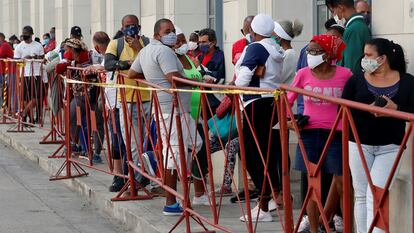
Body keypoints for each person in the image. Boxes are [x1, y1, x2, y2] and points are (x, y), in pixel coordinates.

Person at [128, 18, 202, 215]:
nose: (171, 34)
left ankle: (159, 164)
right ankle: (171, 202)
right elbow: (173, 79)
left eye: (172, 31)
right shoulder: (163, 51)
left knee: (195, 144)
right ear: (156, 35)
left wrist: (154, 82)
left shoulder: (145, 51)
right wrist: (199, 83)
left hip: (171, 109)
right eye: (166, 31)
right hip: (173, 110)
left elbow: (132, 74)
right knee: (176, 154)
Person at [342, 38, 414, 233]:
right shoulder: (357, 79)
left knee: (378, 195)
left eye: (368, 55)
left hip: (391, 147)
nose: (363, 59)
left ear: (382, 59)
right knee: (362, 195)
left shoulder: (408, 82)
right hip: (358, 144)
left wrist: (395, 108)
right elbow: (343, 109)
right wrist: (367, 109)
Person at [288, 34, 349, 233]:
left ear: (328, 54)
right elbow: (287, 100)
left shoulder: (345, 74)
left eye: (315, 51)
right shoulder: (303, 74)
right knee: (313, 185)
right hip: (309, 133)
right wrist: (290, 121)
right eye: (309, 51)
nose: (310, 55)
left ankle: (335, 222)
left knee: (342, 182)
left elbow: (353, 101)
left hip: (337, 134)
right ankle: (315, 229)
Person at [235, 13, 285, 222]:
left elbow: (242, 80)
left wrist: (239, 80)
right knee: (266, 151)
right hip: (271, 102)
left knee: (252, 152)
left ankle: (263, 205)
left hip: (255, 103)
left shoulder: (256, 47)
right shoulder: (277, 48)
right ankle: (271, 196)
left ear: (253, 31)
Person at [104, 14, 151, 191]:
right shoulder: (116, 43)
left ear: (139, 26)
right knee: (132, 143)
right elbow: (108, 64)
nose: (131, 28)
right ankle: (135, 179)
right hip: (127, 100)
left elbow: (151, 62)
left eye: (134, 25)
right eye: (127, 25)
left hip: (148, 99)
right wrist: (128, 63)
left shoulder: (147, 42)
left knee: (150, 142)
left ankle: (145, 178)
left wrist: (139, 48)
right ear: (122, 27)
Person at [326, 0, 371, 74]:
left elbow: (352, 66)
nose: (334, 15)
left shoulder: (354, 28)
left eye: (333, 11)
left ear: (340, 8)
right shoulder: (354, 26)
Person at [13, 26, 45, 124]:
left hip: (36, 73)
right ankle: (30, 119)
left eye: (26, 35)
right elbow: (16, 61)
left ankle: (23, 113)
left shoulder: (38, 45)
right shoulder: (19, 46)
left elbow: (43, 57)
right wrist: (23, 60)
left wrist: (33, 57)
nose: (24, 37)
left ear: (31, 35)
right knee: (26, 98)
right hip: (25, 74)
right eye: (23, 35)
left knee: (37, 97)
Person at [198, 28, 225, 117]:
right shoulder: (200, 57)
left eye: (204, 42)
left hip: (215, 100)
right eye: (200, 42)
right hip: (202, 100)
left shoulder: (220, 56)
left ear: (213, 42)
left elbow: (220, 75)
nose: (201, 44)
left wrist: (202, 72)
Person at [273, 19, 303, 85]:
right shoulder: (283, 51)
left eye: (273, 34)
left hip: (287, 93)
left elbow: (279, 77)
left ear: (279, 38)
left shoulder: (289, 54)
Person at [0, 32, 14, 107]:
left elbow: (1, 54)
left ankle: (8, 108)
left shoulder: (4, 45)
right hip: (4, 71)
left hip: (7, 71)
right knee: (4, 90)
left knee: (7, 90)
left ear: (1, 38)